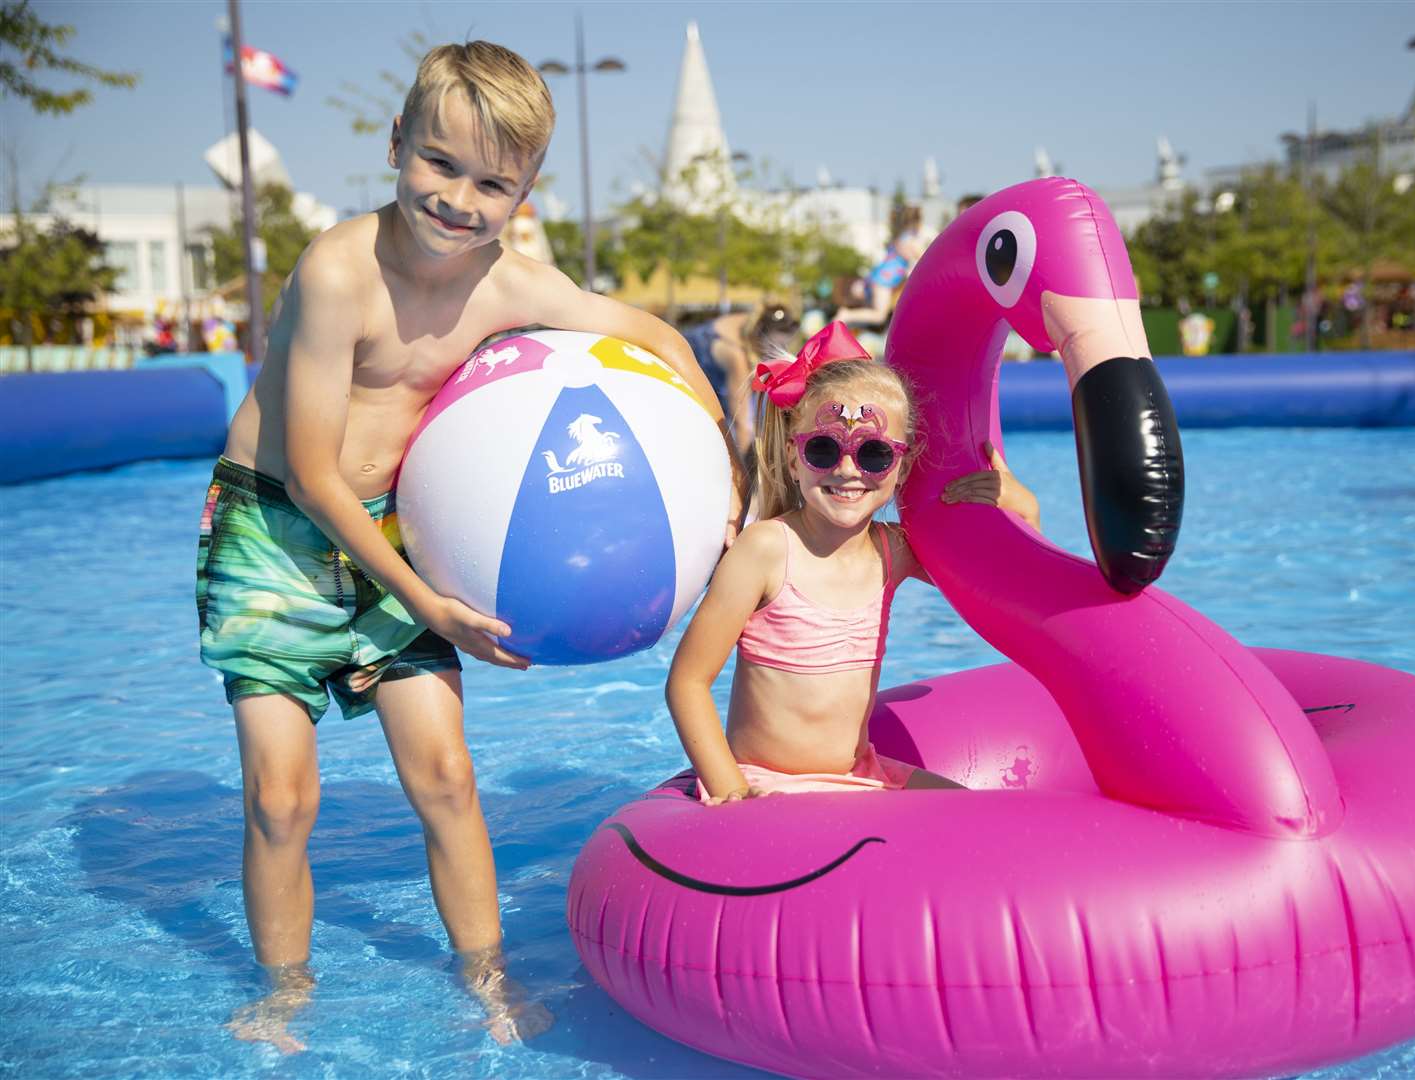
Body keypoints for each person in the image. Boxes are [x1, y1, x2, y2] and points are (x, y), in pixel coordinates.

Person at [196, 41, 741, 1053]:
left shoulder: (505, 283)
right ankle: (284, 992)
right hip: (276, 532)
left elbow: (654, 335)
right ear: (397, 143)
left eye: (492, 183)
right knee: (281, 795)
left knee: (445, 775)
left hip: (392, 533)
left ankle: (488, 980)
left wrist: (723, 471)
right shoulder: (336, 273)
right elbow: (315, 474)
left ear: (524, 192)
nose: (459, 200)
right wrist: (432, 603)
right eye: (441, 165)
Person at [665, 322, 1040, 803]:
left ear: (901, 465)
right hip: (769, 784)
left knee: (985, 821)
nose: (847, 470)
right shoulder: (765, 551)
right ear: (794, 456)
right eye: (823, 449)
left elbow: (1004, 592)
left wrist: (1023, 508)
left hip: (861, 776)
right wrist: (732, 792)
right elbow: (688, 682)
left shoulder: (893, 551)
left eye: (874, 453)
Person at [679, 301, 797, 452]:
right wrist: (746, 470)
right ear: (760, 340)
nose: (780, 353)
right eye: (776, 348)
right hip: (685, 381)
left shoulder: (754, 320)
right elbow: (742, 425)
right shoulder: (737, 358)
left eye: (785, 346)